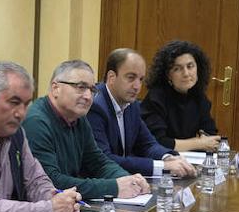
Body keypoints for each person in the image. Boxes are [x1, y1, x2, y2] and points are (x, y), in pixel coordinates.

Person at [0, 61, 82, 212]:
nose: (21, 113)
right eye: (14, 102)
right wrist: (48, 210)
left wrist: (56, 198)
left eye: (26, 104)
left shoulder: (15, 132)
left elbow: (35, 180)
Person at [21, 59, 152, 201]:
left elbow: (97, 162)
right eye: (80, 87)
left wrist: (128, 180)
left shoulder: (78, 118)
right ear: (55, 88)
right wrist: (114, 187)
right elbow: (51, 181)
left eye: (92, 89)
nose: (88, 96)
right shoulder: (36, 121)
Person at [88, 48, 196, 179]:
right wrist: (163, 167)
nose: (137, 86)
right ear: (111, 77)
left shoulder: (132, 104)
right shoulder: (95, 106)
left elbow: (147, 144)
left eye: (141, 79)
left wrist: (169, 158)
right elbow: (105, 159)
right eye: (131, 78)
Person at [141, 40, 222, 152]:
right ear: (168, 75)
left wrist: (203, 141)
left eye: (190, 66)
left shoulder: (199, 97)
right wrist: (198, 143)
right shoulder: (156, 97)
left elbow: (211, 137)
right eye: (177, 69)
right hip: (162, 160)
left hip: (190, 160)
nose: (186, 73)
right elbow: (158, 142)